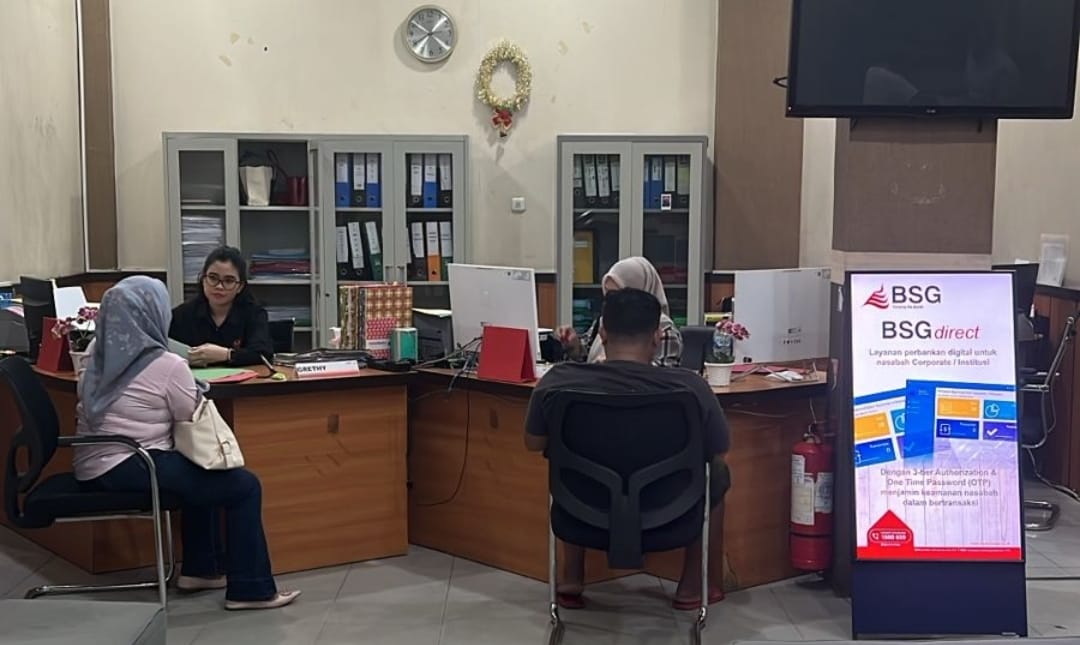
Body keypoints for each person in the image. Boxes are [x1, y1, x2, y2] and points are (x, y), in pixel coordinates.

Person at [73, 276, 299, 610]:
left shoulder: (96, 352)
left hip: (92, 462)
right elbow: (188, 413)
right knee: (243, 485)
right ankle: (251, 590)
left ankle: (202, 570)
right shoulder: (166, 364)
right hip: (135, 462)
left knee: (198, 471)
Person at [525, 288, 729, 611]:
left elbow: (533, 443)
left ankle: (571, 576)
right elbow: (720, 447)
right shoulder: (691, 388)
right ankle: (692, 585)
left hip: (582, 514)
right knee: (717, 472)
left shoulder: (558, 381)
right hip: (670, 515)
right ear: (657, 337)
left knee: (563, 460)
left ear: (602, 333)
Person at [556, 256, 682, 367]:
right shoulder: (604, 320)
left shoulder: (663, 330)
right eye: (608, 294)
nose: (613, 302)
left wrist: (611, 367)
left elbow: (662, 377)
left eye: (617, 293)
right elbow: (585, 355)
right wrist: (574, 346)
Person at [169, 246, 273, 367]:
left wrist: (227, 354)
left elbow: (263, 354)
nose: (219, 286)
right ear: (203, 279)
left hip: (243, 379)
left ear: (240, 287)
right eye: (213, 278)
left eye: (228, 281)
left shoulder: (254, 313)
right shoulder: (182, 314)